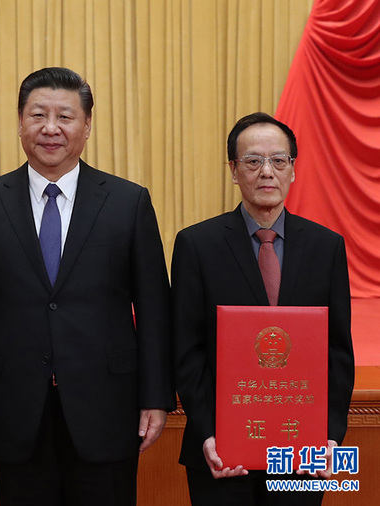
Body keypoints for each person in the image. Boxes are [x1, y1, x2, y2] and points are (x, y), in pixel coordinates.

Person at [0, 67, 174, 505]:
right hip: (14, 405)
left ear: (87, 126)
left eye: (65, 117)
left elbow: (154, 309)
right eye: (38, 115)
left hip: (107, 403)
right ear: (19, 123)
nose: (51, 128)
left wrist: (156, 397)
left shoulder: (128, 202)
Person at [171, 112, 355, 505]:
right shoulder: (196, 245)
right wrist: (207, 433)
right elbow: (186, 351)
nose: (266, 172)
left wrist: (330, 437)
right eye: (253, 161)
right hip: (221, 451)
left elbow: (338, 351)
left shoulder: (327, 247)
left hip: (303, 456)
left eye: (279, 160)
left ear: (292, 169)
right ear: (234, 171)